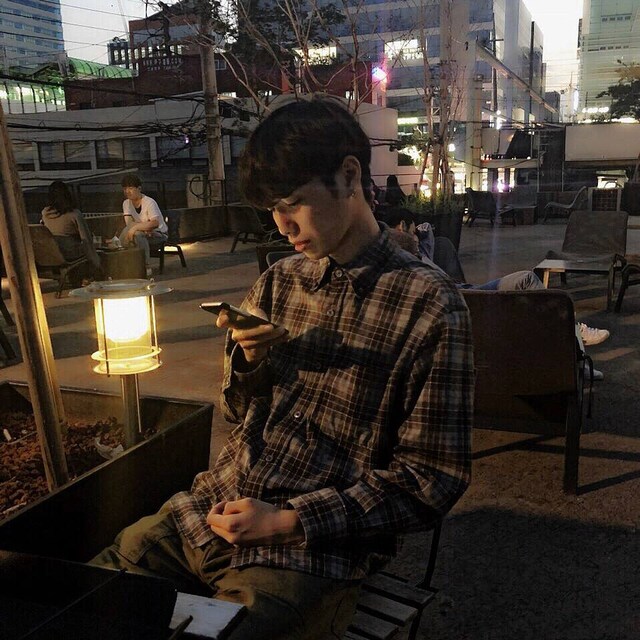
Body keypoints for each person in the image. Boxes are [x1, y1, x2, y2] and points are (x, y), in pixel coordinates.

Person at [91, 96, 474, 640]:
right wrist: (251, 361)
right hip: (210, 509)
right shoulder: (279, 281)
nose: (283, 225)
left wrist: (288, 521)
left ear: (349, 176)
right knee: (81, 599)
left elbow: (433, 480)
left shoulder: (429, 304)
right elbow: (235, 410)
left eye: (293, 203)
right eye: (272, 209)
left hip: (310, 550)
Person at [387, 209, 610, 380]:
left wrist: (419, 232)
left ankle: (573, 340)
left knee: (528, 286)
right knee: (526, 281)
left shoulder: (416, 251)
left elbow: (427, 238)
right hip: (465, 297)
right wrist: (408, 236)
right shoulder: (405, 260)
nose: (416, 237)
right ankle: (574, 340)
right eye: (412, 232)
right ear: (401, 228)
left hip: (467, 290)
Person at [41, 180, 101, 284]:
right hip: (71, 254)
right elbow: (86, 239)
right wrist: (96, 262)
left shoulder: (45, 214)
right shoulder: (74, 214)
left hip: (53, 255)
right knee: (98, 255)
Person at [118, 174, 168, 277]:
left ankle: (144, 266)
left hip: (158, 234)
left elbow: (155, 223)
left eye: (130, 188)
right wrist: (142, 227)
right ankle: (130, 264)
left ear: (139, 188)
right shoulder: (126, 203)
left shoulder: (149, 202)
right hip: (141, 233)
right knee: (135, 233)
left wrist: (136, 227)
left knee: (136, 234)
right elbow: (129, 223)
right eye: (125, 189)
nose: (127, 191)